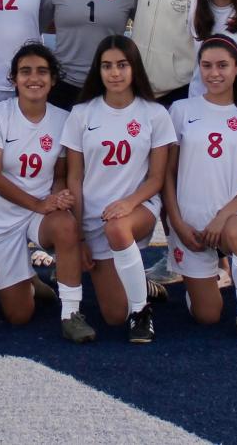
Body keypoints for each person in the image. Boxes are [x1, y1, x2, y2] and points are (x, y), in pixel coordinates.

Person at [0, 43, 93, 342]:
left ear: (53, 79)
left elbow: (60, 175)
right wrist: (39, 203)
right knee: (19, 316)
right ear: (13, 80)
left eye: (42, 71)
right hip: (2, 215)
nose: (33, 78)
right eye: (25, 72)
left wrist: (59, 197)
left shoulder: (63, 119)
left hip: (40, 211)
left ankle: (71, 313)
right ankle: (27, 277)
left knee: (65, 224)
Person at [63, 36, 174, 343]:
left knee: (117, 228)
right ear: (98, 71)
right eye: (107, 66)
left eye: (122, 65)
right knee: (113, 315)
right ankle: (141, 284)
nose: (115, 73)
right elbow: (75, 178)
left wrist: (129, 203)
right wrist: (80, 234)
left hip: (138, 209)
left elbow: (156, 177)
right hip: (95, 217)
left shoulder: (154, 113)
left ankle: (142, 314)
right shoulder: (82, 113)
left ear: (134, 68)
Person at [165, 36, 237, 342]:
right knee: (207, 317)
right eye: (207, 66)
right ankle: (207, 283)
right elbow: (167, 175)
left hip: (233, 213)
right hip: (191, 219)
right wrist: (177, 223)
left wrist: (223, 217)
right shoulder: (180, 110)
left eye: (223, 65)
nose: (214, 73)